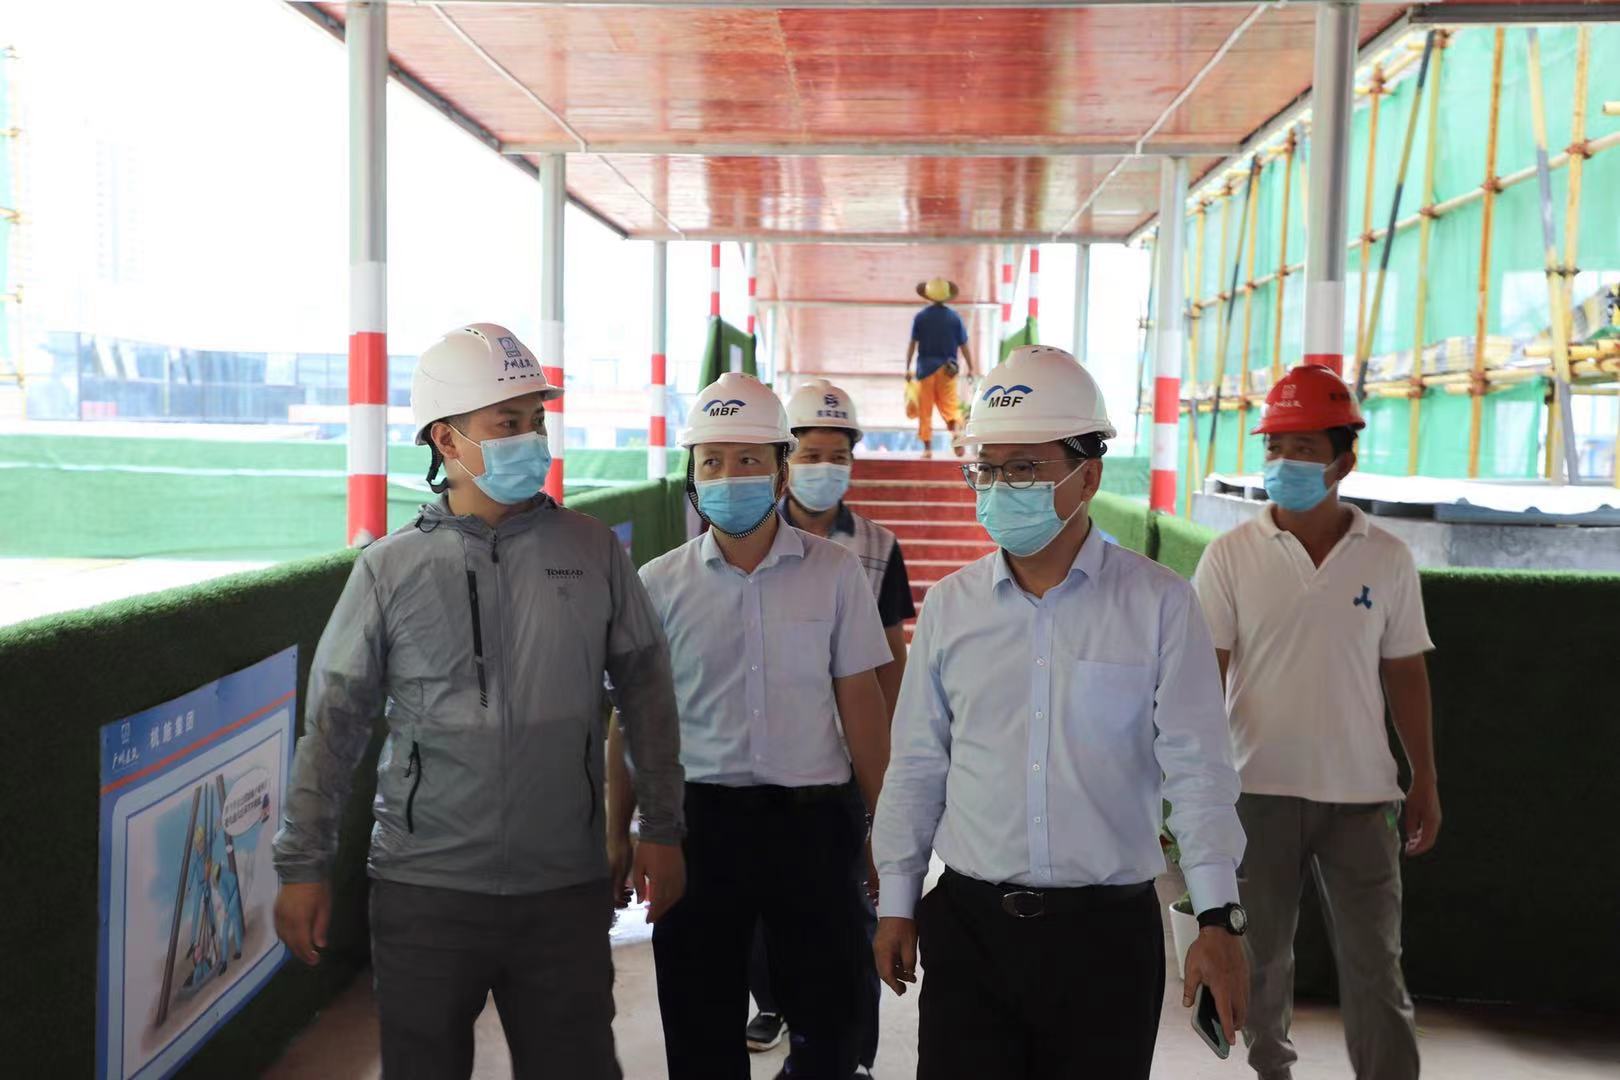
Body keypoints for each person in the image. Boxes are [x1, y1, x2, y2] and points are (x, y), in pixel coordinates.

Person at [272, 323, 686, 1080]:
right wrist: (303, 864)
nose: (531, 438)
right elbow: (333, 726)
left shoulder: (592, 550)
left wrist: (660, 826)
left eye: (536, 420)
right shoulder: (389, 570)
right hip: (424, 890)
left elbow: (647, 695)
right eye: (507, 422)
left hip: (563, 887)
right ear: (447, 439)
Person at [872, 345, 1250, 1080]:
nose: (999, 487)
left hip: (1106, 941)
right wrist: (897, 900)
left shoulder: (1160, 605)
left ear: (1089, 476)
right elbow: (917, 765)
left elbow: (1199, 772)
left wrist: (1217, 917)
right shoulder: (950, 608)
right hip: (970, 931)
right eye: (987, 468)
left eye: (1024, 468)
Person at [614, 371, 893, 1080]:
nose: (730, 476)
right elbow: (634, 721)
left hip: (816, 827)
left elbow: (863, 709)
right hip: (697, 828)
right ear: (693, 477)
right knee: (700, 1025)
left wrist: (888, 832)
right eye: (712, 461)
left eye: (748, 459)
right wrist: (624, 833)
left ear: (779, 472)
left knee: (830, 1025)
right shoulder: (658, 584)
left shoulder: (835, 574)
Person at [1192, 363, 1438, 1080]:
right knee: (1261, 962)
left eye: (1303, 449)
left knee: (1376, 967)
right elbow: (1202, 681)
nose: (1284, 463)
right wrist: (1197, 792)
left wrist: (1425, 778)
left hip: (1363, 797)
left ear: (1343, 461)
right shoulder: (1229, 557)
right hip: (1256, 790)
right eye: (1275, 448)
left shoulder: (1388, 559)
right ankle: (1271, 1071)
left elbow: (1406, 673)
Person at [738, 378, 913, 1067]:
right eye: (811, 454)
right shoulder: (743, 533)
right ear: (786, 459)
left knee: (848, 916)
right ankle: (774, 1004)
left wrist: (893, 761)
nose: (825, 468)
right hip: (757, 760)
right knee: (759, 911)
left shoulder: (876, 547)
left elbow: (891, 657)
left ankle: (854, 1055)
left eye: (838, 455)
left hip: (840, 763)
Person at [906, 277, 976, 459]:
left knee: (925, 410)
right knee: (950, 406)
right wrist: (971, 368)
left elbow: (912, 344)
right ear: (947, 296)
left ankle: (927, 449)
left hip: (925, 370)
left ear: (928, 296)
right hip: (948, 370)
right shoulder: (955, 318)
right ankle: (956, 434)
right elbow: (964, 345)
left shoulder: (921, 317)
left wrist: (907, 367)